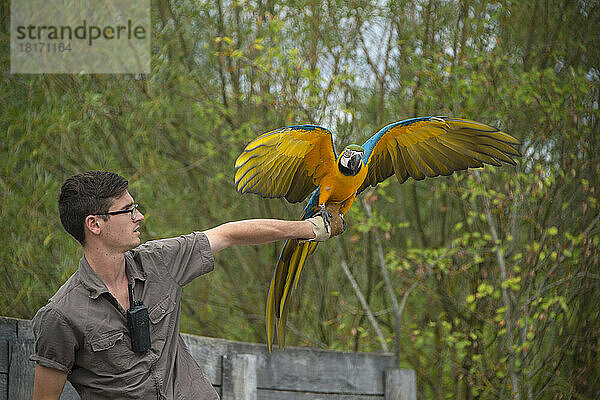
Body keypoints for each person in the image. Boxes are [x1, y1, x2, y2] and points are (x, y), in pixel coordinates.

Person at [31, 171, 342, 400]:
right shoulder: (61, 315)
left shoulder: (160, 262)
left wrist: (309, 228)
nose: (139, 217)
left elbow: (229, 233)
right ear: (94, 224)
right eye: (128, 211)